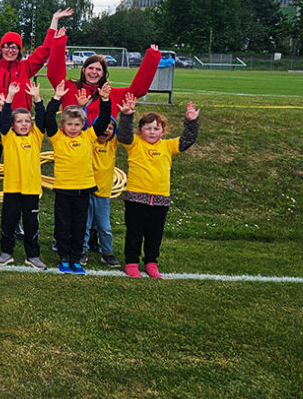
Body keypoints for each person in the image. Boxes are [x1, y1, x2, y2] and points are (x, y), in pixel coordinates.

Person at [116, 96, 201, 279]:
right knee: (134, 234)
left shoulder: (168, 146)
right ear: (140, 130)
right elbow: (123, 134)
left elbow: (188, 139)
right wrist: (126, 115)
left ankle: (151, 263)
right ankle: (131, 263)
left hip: (161, 199)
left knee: (154, 235)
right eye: (148, 128)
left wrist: (191, 121)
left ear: (163, 130)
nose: (152, 132)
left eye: (156, 128)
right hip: (136, 198)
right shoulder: (134, 144)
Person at [44, 80, 112, 274]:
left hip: (84, 189)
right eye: (69, 124)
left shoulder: (88, 136)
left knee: (80, 226)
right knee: (63, 225)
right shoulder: (57, 139)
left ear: (83, 125)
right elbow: (49, 118)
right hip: (64, 190)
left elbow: (103, 118)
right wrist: (56, 98)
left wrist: (105, 100)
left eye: (77, 124)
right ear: (63, 125)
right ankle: (63, 258)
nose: (73, 128)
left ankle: (76, 259)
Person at [0, 80, 48, 269]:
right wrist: (9, 98)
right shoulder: (7, 137)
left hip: (32, 189)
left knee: (31, 224)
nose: (24, 124)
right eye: (19, 121)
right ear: (13, 125)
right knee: (8, 222)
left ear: (32, 125)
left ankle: (32, 255)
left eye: (27, 121)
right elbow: (3, 120)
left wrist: (37, 99)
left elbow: (42, 118)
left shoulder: (36, 137)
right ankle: (6, 252)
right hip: (12, 188)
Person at [46, 42, 162, 124]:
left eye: (98, 69)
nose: (94, 72)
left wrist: (152, 58)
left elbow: (138, 91)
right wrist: (59, 43)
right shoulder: (68, 88)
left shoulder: (113, 94)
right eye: (90, 68)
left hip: (101, 146)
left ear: (103, 74)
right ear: (83, 70)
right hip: (72, 144)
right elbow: (54, 75)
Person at [82, 90, 124, 268]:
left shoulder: (112, 145)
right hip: (86, 191)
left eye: (110, 128)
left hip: (103, 194)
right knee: (84, 225)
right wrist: (82, 106)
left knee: (104, 227)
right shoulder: (89, 141)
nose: (106, 130)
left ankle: (106, 252)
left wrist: (128, 113)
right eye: (103, 127)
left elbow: (125, 132)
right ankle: (82, 251)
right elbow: (83, 126)